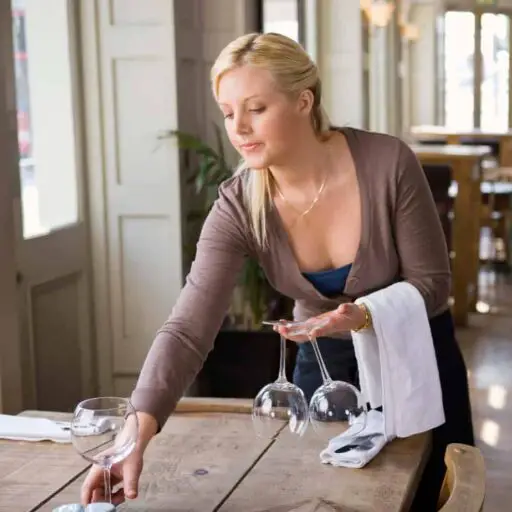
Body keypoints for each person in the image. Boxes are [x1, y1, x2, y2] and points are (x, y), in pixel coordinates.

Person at [80, 32, 474, 510]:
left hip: (415, 356)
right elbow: (187, 329)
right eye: (228, 113)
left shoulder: (388, 163)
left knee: (427, 496)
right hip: (325, 366)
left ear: (304, 101)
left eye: (256, 109)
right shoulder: (237, 205)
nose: (238, 128)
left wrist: (362, 315)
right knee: (321, 498)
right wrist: (133, 436)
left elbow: (432, 285)